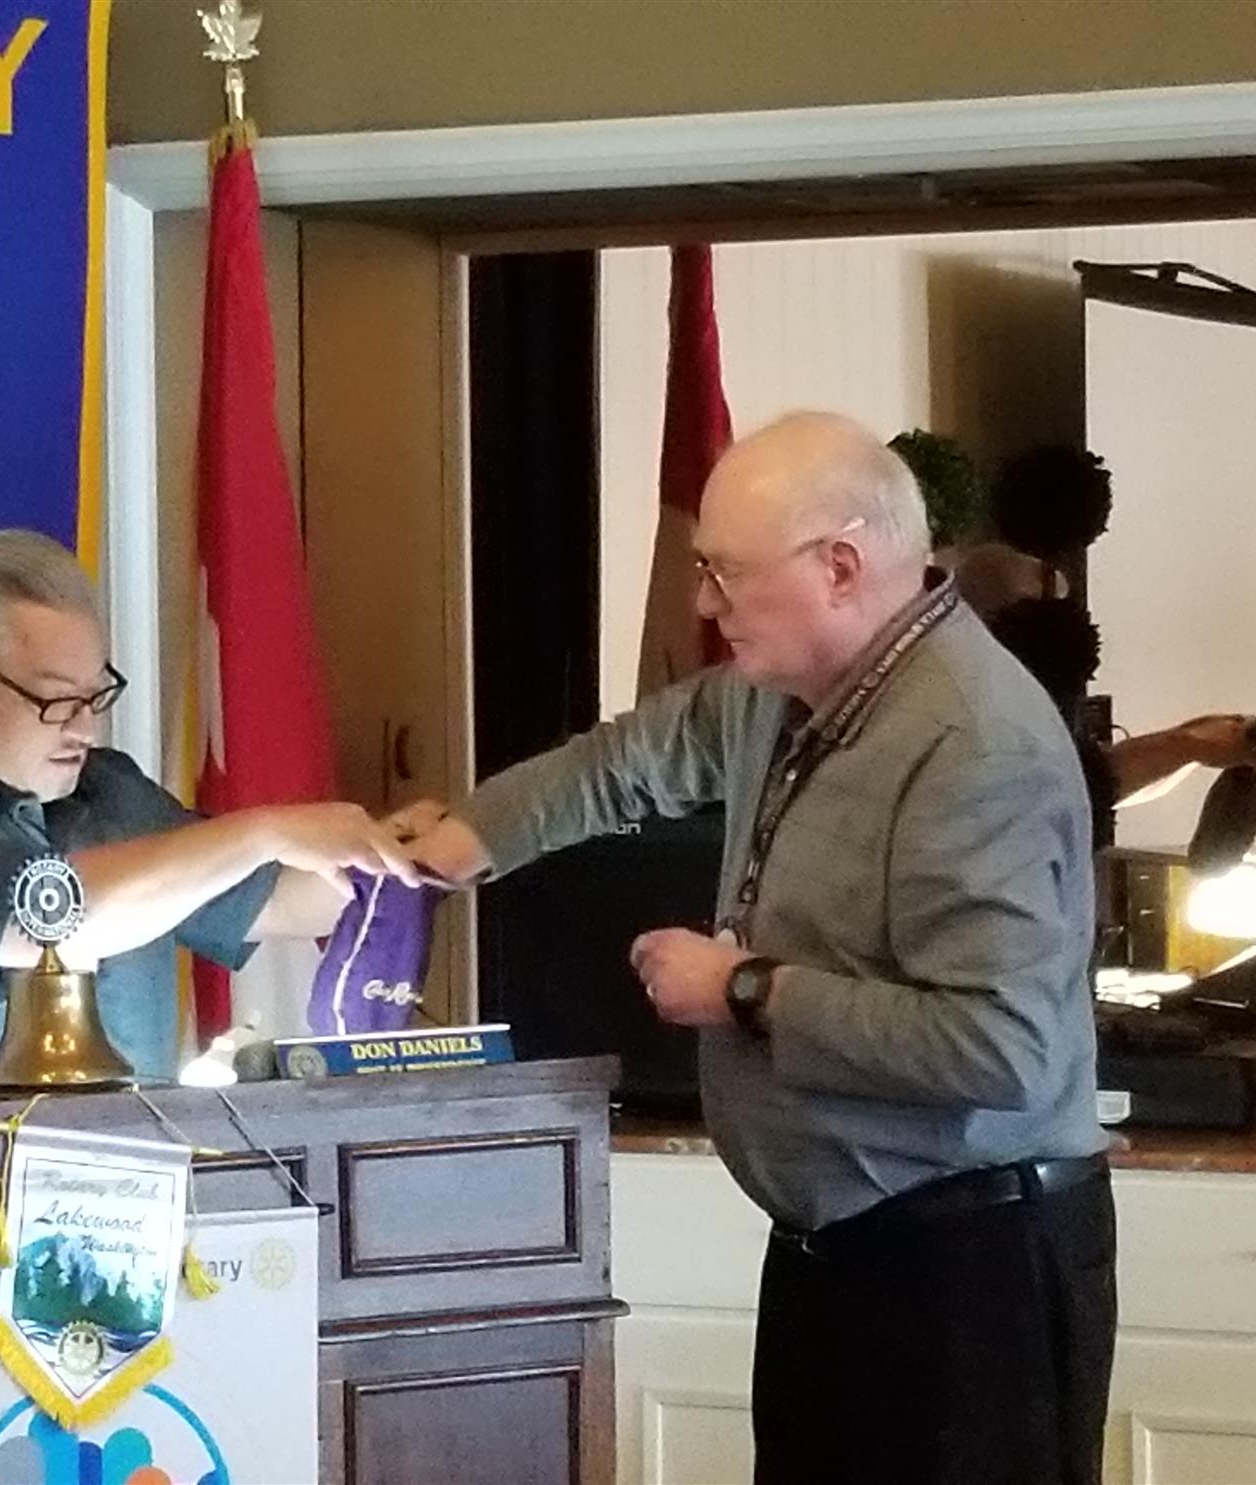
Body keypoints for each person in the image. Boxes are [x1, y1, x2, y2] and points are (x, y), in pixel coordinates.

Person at [401, 412, 1115, 1485]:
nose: (703, 603)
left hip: (972, 1278)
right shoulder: (785, 690)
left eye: (725, 573)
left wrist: (744, 988)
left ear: (840, 568)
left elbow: (999, 1047)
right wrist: (467, 838)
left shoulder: (975, 744)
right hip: (840, 1255)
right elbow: (630, 761)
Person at [0, 529, 414, 1085]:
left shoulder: (112, 792)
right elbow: (54, 923)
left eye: (95, 697)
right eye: (55, 701)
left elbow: (285, 901)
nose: (86, 730)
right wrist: (264, 832)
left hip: (146, 1162)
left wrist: (408, 855)